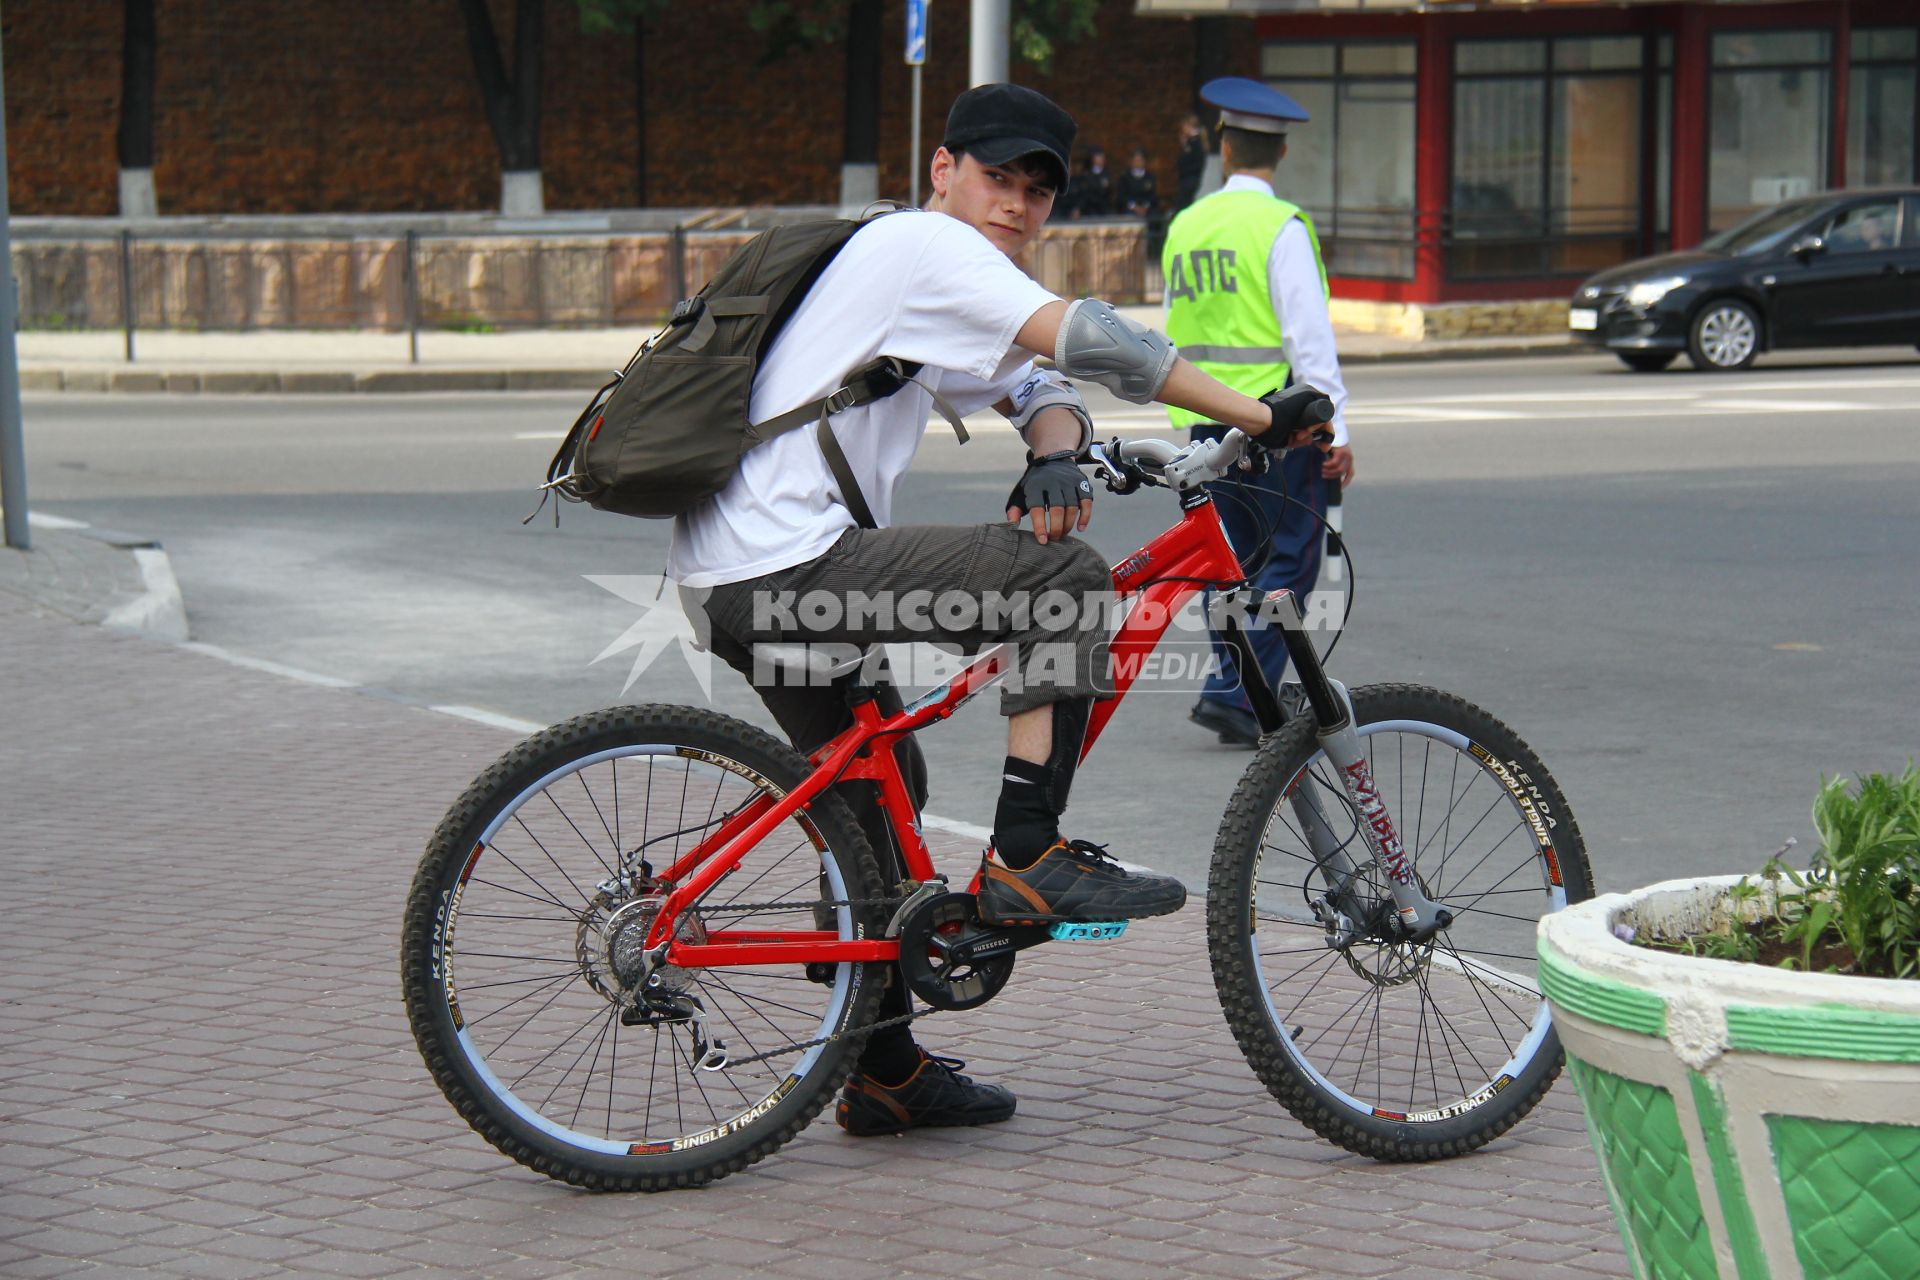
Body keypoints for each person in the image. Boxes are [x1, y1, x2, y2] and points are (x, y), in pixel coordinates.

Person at [667, 83, 1326, 1136]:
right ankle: (1027, 850)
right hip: (788, 569)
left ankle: (882, 1069)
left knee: (885, 785)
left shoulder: (922, 266)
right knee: (1063, 585)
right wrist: (1261, 411)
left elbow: (1029, 384)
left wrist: (1058, 453)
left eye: (1037, 190)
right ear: (943, 170)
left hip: (736, 572)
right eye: (996, 177)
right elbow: (1085, 338)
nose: (1016, 204)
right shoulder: (926, 250)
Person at [1160, 77, 1355, 749]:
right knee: (1291, 562)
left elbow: (1170, 330)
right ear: (1281, 151)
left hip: (1207, 420)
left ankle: (1240, 689)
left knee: (1233, 562)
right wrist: (1335, 429)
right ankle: (1237, 693)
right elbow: (1308, 338)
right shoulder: (1280, 225)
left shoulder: (1186, 224)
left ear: (1223, 143)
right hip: (1273, 421)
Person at [1065, 145, 1112, 218]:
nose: (1101, 159)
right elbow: (1085, 194)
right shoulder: (1086, 175)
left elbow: (1109, 192)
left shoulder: (1107, 175)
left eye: (1102, 157)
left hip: (1103, 208)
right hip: (1089, 209)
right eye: (1099, 157)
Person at [1174, 114, 1207, 214]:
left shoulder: (1195, 142)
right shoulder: (1194, 142)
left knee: (1183, 206)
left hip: (1189, 179)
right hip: (1190, 179)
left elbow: (1190, 162)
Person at [1117, 148, 1158, 219]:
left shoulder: (1150, 177)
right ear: (1132, 162)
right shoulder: (1125, 178)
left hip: (1147, 209)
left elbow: (1152, 196)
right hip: (1130, 209)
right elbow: (1122, 196)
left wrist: (1144, 207)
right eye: (1136, 160)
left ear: (1144, 162)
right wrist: (1134, 207)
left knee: (1155, 215)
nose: (1138, 163)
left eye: (1140, 160)